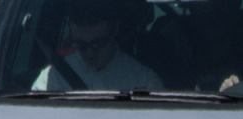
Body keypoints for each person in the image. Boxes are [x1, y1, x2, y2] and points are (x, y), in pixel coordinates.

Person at [33, 0, 163, 92]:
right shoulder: (51, 80)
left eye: (98, 44)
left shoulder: (145, 82)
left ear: (115, 29)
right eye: (81, 45)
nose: (90, 54)